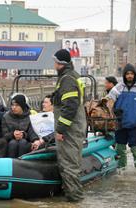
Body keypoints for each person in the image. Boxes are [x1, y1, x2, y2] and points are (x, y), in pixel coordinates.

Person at [52, 49, 86, 202]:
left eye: (55, 62)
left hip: (70, 130)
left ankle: (75, 200)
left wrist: (60, 129)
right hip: (74, 127)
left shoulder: (67, 79)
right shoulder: (72, 76)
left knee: (69, 165)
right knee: (70, 163)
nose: (54, 64)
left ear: (60, 63)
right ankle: (73, 198)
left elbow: (70, 106)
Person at [107, 63, 136, 169]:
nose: (129, 76)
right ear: (124, 75)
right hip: (120, 124)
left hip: (135, 124)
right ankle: (121, 171)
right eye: (127, 74)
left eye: (131, 74)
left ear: (134, 75)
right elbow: (109, 100)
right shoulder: (118, 87)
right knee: (120, 149)